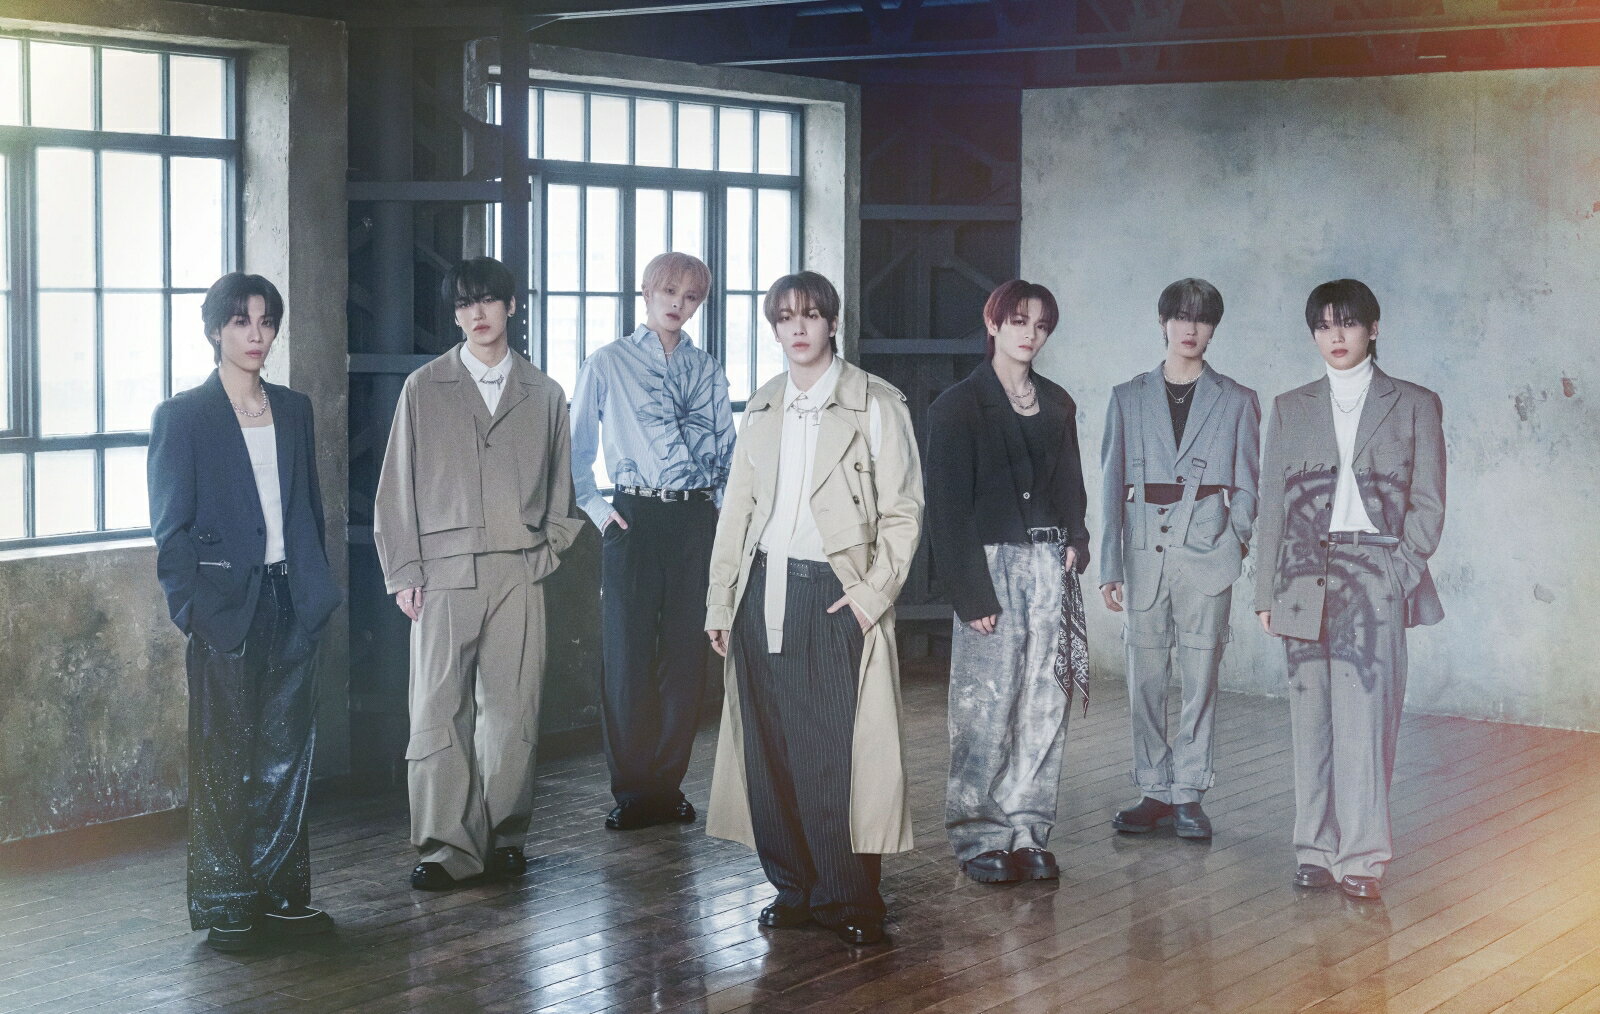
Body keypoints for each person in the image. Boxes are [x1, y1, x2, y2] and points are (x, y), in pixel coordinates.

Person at [704, 271, 922, 946]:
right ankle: (793, 887)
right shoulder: (764, 405)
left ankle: (849, 895)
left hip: (833, 594)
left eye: (810, 315)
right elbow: (737, 510)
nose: (797, 328)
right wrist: (720, 601)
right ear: (774, 327)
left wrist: (870, 597)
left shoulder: (875, 403)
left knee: (832, 752)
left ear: (832, 322)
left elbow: (904, 512)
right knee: (768, 749)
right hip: (758, 588)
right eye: (784, 317)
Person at [148, 272, 343, 952]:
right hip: (226, 610)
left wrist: (317, 591)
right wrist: (193, 612)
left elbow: (308, 508)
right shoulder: (184, 416)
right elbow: (170, 531)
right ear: (214, 331)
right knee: (224, 759)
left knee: (285, 757)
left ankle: (282, 895)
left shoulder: (293, 409)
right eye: (240, 321)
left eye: (265, 321)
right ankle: (227, 903)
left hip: (295, 600)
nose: (256, 334)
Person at [374, 256, 582, 891]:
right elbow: (395, 489)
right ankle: (445, 846)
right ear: (456, 315)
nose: (477, 314)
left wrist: (543, 552)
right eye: (465, 304)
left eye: (488, 300)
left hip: (517, 569)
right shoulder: (424, 388)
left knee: (514, 710)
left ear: (511, 306)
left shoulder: (544, 393)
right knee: (438, 709)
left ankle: (504, 837)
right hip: (443, 573)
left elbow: (563, 490)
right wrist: (404, 570)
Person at [1254, 278, 1446, 901]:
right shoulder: (1290, 406)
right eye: (1324, 325)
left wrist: (1400, 569)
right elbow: (1272, 506)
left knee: (1366, 721)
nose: (1335, 336)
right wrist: (1265, 592)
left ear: (1373, 329)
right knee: (1310, 720)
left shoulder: (1414, 403)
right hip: (1302, 574)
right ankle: (1314, 849)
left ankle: (1362, 855)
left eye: (1348, 323)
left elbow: (1428, 503)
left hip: (1375, 569)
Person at [925, 279, 1091, 885]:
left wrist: (1077, 540)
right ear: (993, 323)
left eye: (1041, 326)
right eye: (1019, 321)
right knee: (985, 706)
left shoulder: (1058, 403)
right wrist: (971, 594)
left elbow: (1071, 483)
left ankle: (1028, 830)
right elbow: (946, 510)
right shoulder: (956, 407)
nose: (1031, 334)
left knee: (1046, 703)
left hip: (1051, 565)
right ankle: (979, 835)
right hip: (990, 566)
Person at [569, 251, 735, 831]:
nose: (677, 305)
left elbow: (727, 454)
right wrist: (599, 511)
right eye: (668, 292)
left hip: (695, 520)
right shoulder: (607, 362)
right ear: (646, 292)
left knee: (685, 658)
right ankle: (633, 790)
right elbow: (575, 451)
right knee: (627, 656)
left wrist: (721, 522)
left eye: (690, 297)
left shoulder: (707, 369)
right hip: (632, 518)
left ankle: (668, 786)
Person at [1099, 278, 1260, 840]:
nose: (1191, 329)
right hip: (1144, 552)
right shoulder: (1127, 397)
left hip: (1208, 551)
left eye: (1202, 318)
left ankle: (1189, 791)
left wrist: (1235, 542)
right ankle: (1152, 789)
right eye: (1181, 317)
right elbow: (1110, 484)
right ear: (1163, 322)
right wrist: (1110, 565)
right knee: (1144, 676)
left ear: (1213, 328)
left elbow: (1249, 483)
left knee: (1201, 675)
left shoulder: (1237, 399)